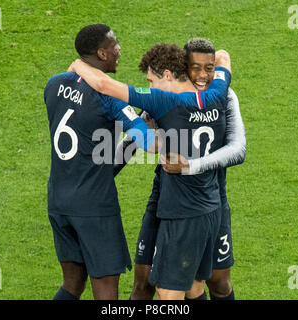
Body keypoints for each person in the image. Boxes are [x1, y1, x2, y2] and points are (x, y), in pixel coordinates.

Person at [68, 43, 231, 299]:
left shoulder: (166, 100)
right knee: (194, 288)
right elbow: (222, 56)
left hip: (183, 212)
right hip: (210, 208)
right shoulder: (217, 94)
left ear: (167, 75)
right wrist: (211, 69)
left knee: (168, 294)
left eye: (151, 81)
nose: (150, 86)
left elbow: (104, 86)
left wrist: (78, 65)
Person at [43, 24, 159, 300]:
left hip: (59, 202)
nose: (119, 49)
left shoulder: (53, 84)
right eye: (114, 45)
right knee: (106, 294)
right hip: (94, 208)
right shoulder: (111, 97)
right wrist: (150, 123)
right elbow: (150, 144)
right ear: (101, 53)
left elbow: (100, 157)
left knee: (72, 284)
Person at [130, 38, 246, 300]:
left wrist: (191, 166)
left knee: (216, 282)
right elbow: (134, 137)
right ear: (183, 68)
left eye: (209, 68)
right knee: (145, 282)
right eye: (195, 68)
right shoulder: (170, 97)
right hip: (166, 196)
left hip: (211, 198)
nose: (203, 75)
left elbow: (238, 149)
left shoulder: (223, 96)